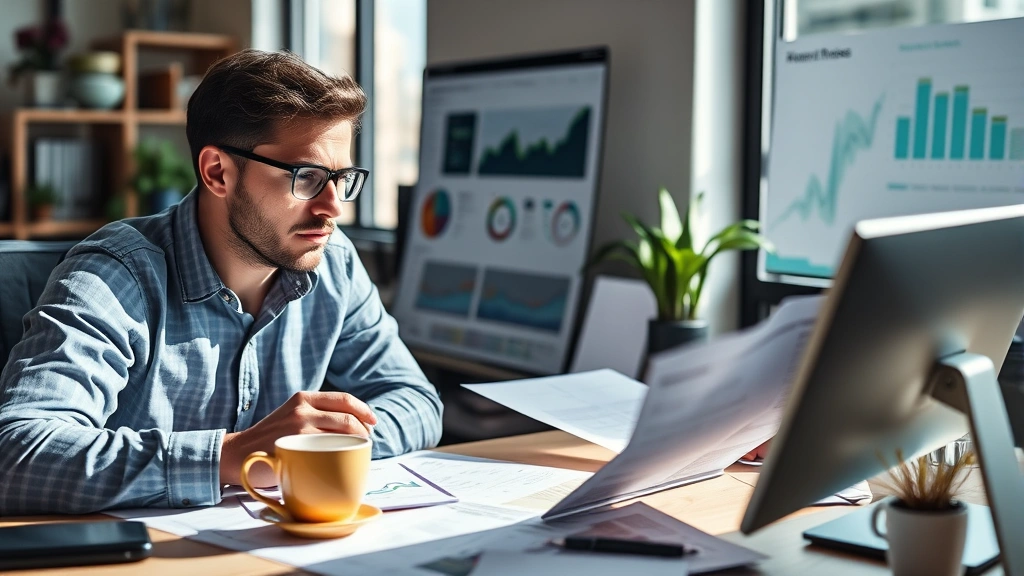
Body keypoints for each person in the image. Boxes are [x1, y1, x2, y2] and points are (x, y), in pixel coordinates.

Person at [0, 50, 443, 515]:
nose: (334, 207)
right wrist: (233, 456)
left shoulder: (334, 264)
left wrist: (327, 444)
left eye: (342, 178)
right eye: (307, 177)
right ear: (218, 172)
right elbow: (17, 452)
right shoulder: (115, 276)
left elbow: (416, 401)